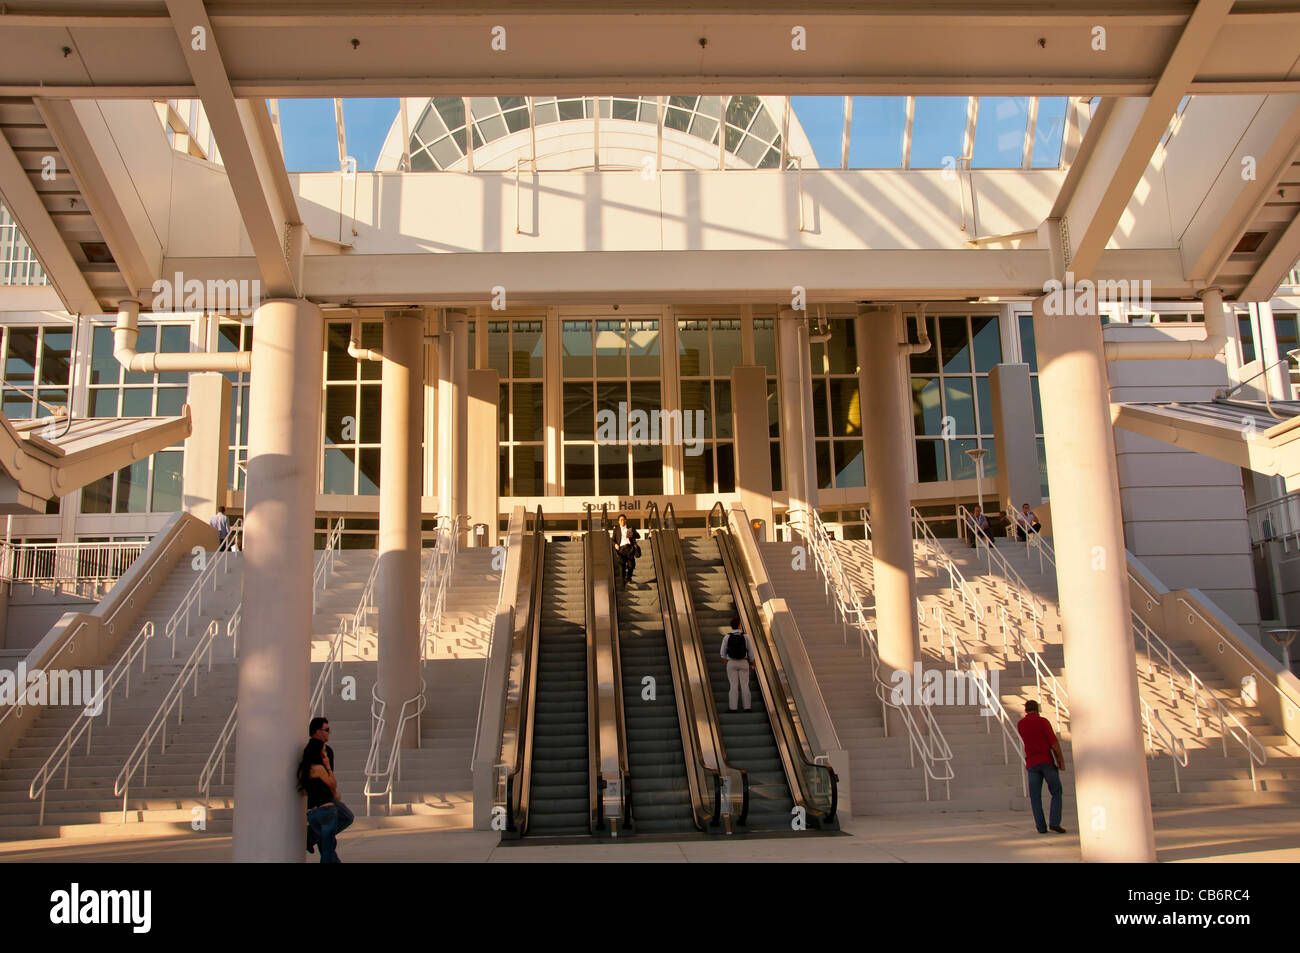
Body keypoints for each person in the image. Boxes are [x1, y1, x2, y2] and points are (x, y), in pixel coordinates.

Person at [301, 717, 353, 860]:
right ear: (318, 732)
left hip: (313, 806)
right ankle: (311, 836)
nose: (330, 732)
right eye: (327, 730)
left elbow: (303, 781)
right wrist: (328, 766)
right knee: (347, 817)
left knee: (327, 848)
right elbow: (331, 782)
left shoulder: (306, 754)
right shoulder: (325, 752)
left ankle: (312, 836)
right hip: (326, 804)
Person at [1016, 700, 1067, 835]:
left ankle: (1041, 827)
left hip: (1032, 763)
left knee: (1035, 796)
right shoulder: (1043, 722)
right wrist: (1060, 759)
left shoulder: (1021, 724)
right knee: (1056, 791)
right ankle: (1055, 822)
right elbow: (1053, 742)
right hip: (1046, 761)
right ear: (1037, 709)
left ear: (1025, 710)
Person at [719, 614, 755, 712]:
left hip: (731, 662)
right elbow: (751, 652)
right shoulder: (745, 636)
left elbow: (722, 653)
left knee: (733, 685)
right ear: (739, 625)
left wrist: (726, 663)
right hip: (743, 662)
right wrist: (752, 664)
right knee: (745, 685)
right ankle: (747, 707)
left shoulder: (727, 637)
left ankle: (733, 708)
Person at [612, 513, 640, 586]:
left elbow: (638, 536)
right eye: (621, 520)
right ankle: (622, 583)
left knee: (631, 565)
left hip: (629, 548)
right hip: (621, 549)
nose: (623, 521)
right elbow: (612, 540)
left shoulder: (630, 528)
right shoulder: (616, 529)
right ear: (618, 521)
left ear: (626, 520)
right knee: (622, 566)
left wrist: (633, 533)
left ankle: (629, 578)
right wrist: (615, 544)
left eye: (624, 519)